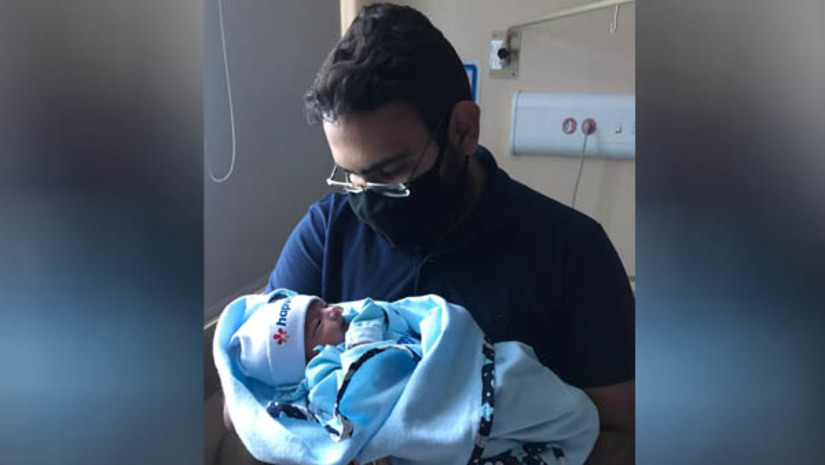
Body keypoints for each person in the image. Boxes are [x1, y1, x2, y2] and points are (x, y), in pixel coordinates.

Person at [226, 3, 634, 465]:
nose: (367, 198)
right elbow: (244, 401)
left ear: (463, 130)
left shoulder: (572, 253)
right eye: (352, 176)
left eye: (390, 171)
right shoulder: (327, 232)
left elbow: (623, 439)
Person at [215, 288, 600, 465]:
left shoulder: (358, 315)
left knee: (563, 408)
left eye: (323, 304)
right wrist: (362, 348)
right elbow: (360, 403)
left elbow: (421, 318)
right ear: (306, 359)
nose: (334, 311)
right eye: (317, 323)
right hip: (442, 410)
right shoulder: (324, 380)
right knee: (571, 419)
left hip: (468, 372)